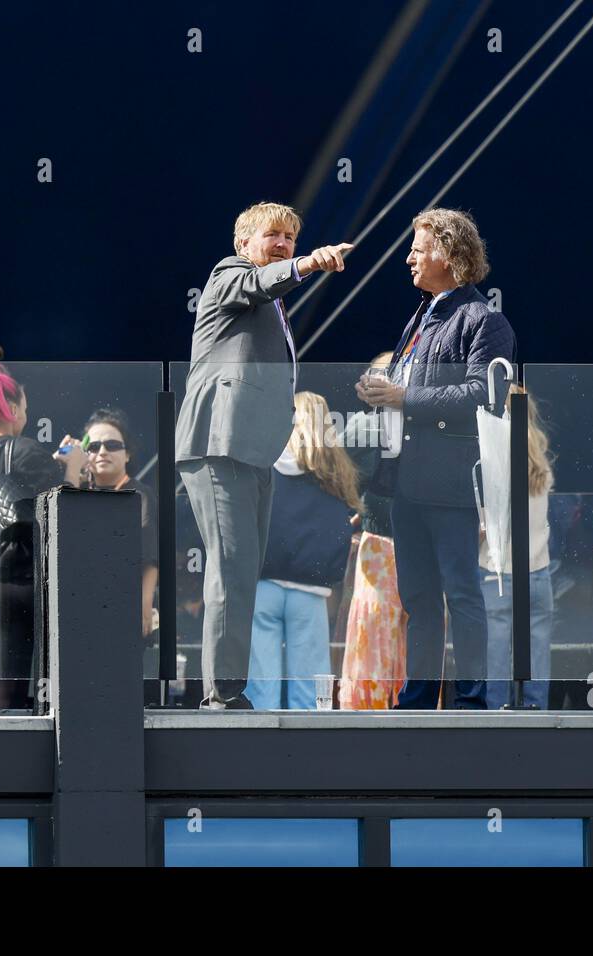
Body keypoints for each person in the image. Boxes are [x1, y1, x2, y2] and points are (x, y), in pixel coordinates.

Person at [175, 200, 353, 709]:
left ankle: (229, 688)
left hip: (253, 449)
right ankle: (223, 694)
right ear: (243, 245)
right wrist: (308, 264)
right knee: (231, 567)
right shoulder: (229, 274)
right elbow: (261, 282)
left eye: (291, 239)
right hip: (219, 441)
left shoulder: (270, 302)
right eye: (272, 235)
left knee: (242, 568)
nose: (282, 244)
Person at [355, 208, 516, 710]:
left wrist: (402, 398)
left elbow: (481, 396)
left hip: (449, 483)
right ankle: (419, 696)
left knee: (461, 593)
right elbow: (411, 385)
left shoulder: (483, 319)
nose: (409, 258)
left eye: (418, 248)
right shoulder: (422, 316)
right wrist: (379, 390)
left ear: (448, 254)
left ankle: (470, 700)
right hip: (407, 482)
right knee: (418, 598)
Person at [0, 364, 81, 709]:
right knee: (52, 693)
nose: (25, 416)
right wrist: (71, 468)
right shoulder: (26, 451)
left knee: (6, 695)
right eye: (24, 408)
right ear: (11, 408)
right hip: (35, 583)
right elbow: (65, 513)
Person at [246, 391, 360, 709]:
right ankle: (307, 751)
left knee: (261, 686)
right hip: (311, 591)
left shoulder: (263, 465)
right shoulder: (334, 473)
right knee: (309, 692)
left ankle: (262, 747)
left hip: (263, 585)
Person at [339, 353, 408, 710]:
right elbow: (345, 482)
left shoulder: (371, 427)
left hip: (394, 545)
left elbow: (344, 482)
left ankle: (376, 713)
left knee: (378, 636)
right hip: (386, 545)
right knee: (389, 635)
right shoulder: (366, 427)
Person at [482, 384, 555, 710]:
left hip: (496, 570)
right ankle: (535, 709)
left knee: (495, 649)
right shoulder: (539, 460)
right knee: (537, 648)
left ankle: (496, 712)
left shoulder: (490, 458)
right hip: (539, 569)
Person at [73, 406, 159, 638]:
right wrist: (70, 467)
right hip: (81, 606)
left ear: (127, 453)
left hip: (125, 605)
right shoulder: (76, 491)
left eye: (112, 445)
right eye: (92, 447)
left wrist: (144, 607)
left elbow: (150, 558)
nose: (102, 452)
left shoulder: (140, 494)